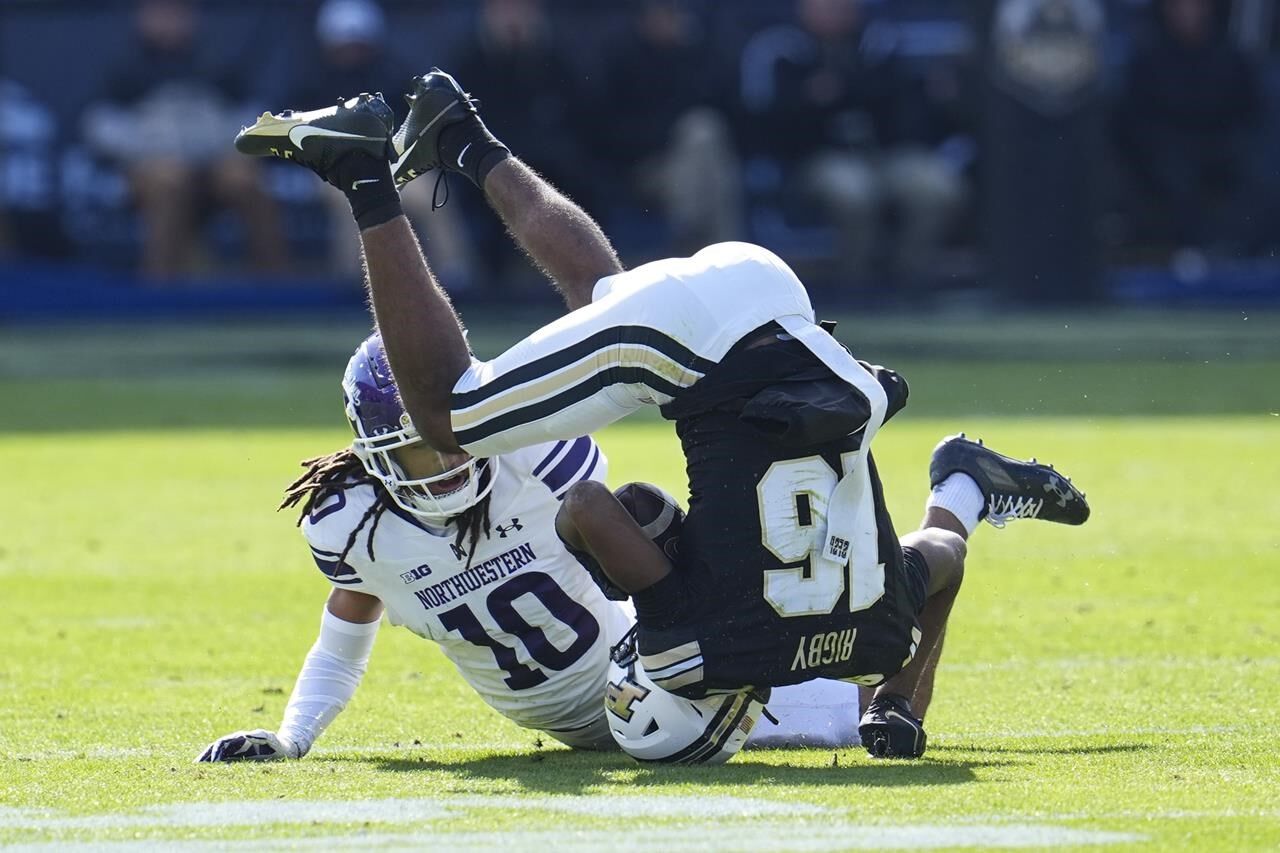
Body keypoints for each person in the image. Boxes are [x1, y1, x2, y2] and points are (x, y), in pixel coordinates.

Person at [233, 73, 1089, 759]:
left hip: (782, 362)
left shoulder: (696, 626)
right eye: (412, 460)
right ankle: (465, 136)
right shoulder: (368, 523)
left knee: (461, 408)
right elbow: (604, 449)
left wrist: (654, 558)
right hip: (762, 319)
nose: (441, 471)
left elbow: (596, 504)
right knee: (599, 302)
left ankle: (367, 180)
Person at [196, 334, 867, 763]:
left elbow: (616, 525)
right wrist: (290, 739)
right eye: (417, 446)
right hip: (600, 720)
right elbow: (339, 645)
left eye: (454, 434)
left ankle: (948, 504)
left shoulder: (530, 457)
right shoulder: (358, 527)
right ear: (375, 455)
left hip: (652, 679)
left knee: (851, 710)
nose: (445, 461)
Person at [738, 0, 966, 282]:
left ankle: (909, 274)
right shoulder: (783, 49)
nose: (837, 10)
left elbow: (904, 106)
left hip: (886, 151)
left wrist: (843, 91)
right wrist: (815, 103)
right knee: (854, 191)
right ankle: (856, 279)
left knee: (937, 188)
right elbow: (768, 121)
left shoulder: (880, 43)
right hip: (816, 157)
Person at [81, 0, 287, 280]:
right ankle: (160, 289)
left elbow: (253, 117)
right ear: (143, 17)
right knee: (171, 180)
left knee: (245, 179)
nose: (171, 21)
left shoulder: (216, 62)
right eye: (162, 12)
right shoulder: (125, 68)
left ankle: (275, 287)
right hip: (152, 165)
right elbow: (99, 127)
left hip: (214, 161)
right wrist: (153, 151)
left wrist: (222, 147)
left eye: (178, 12)